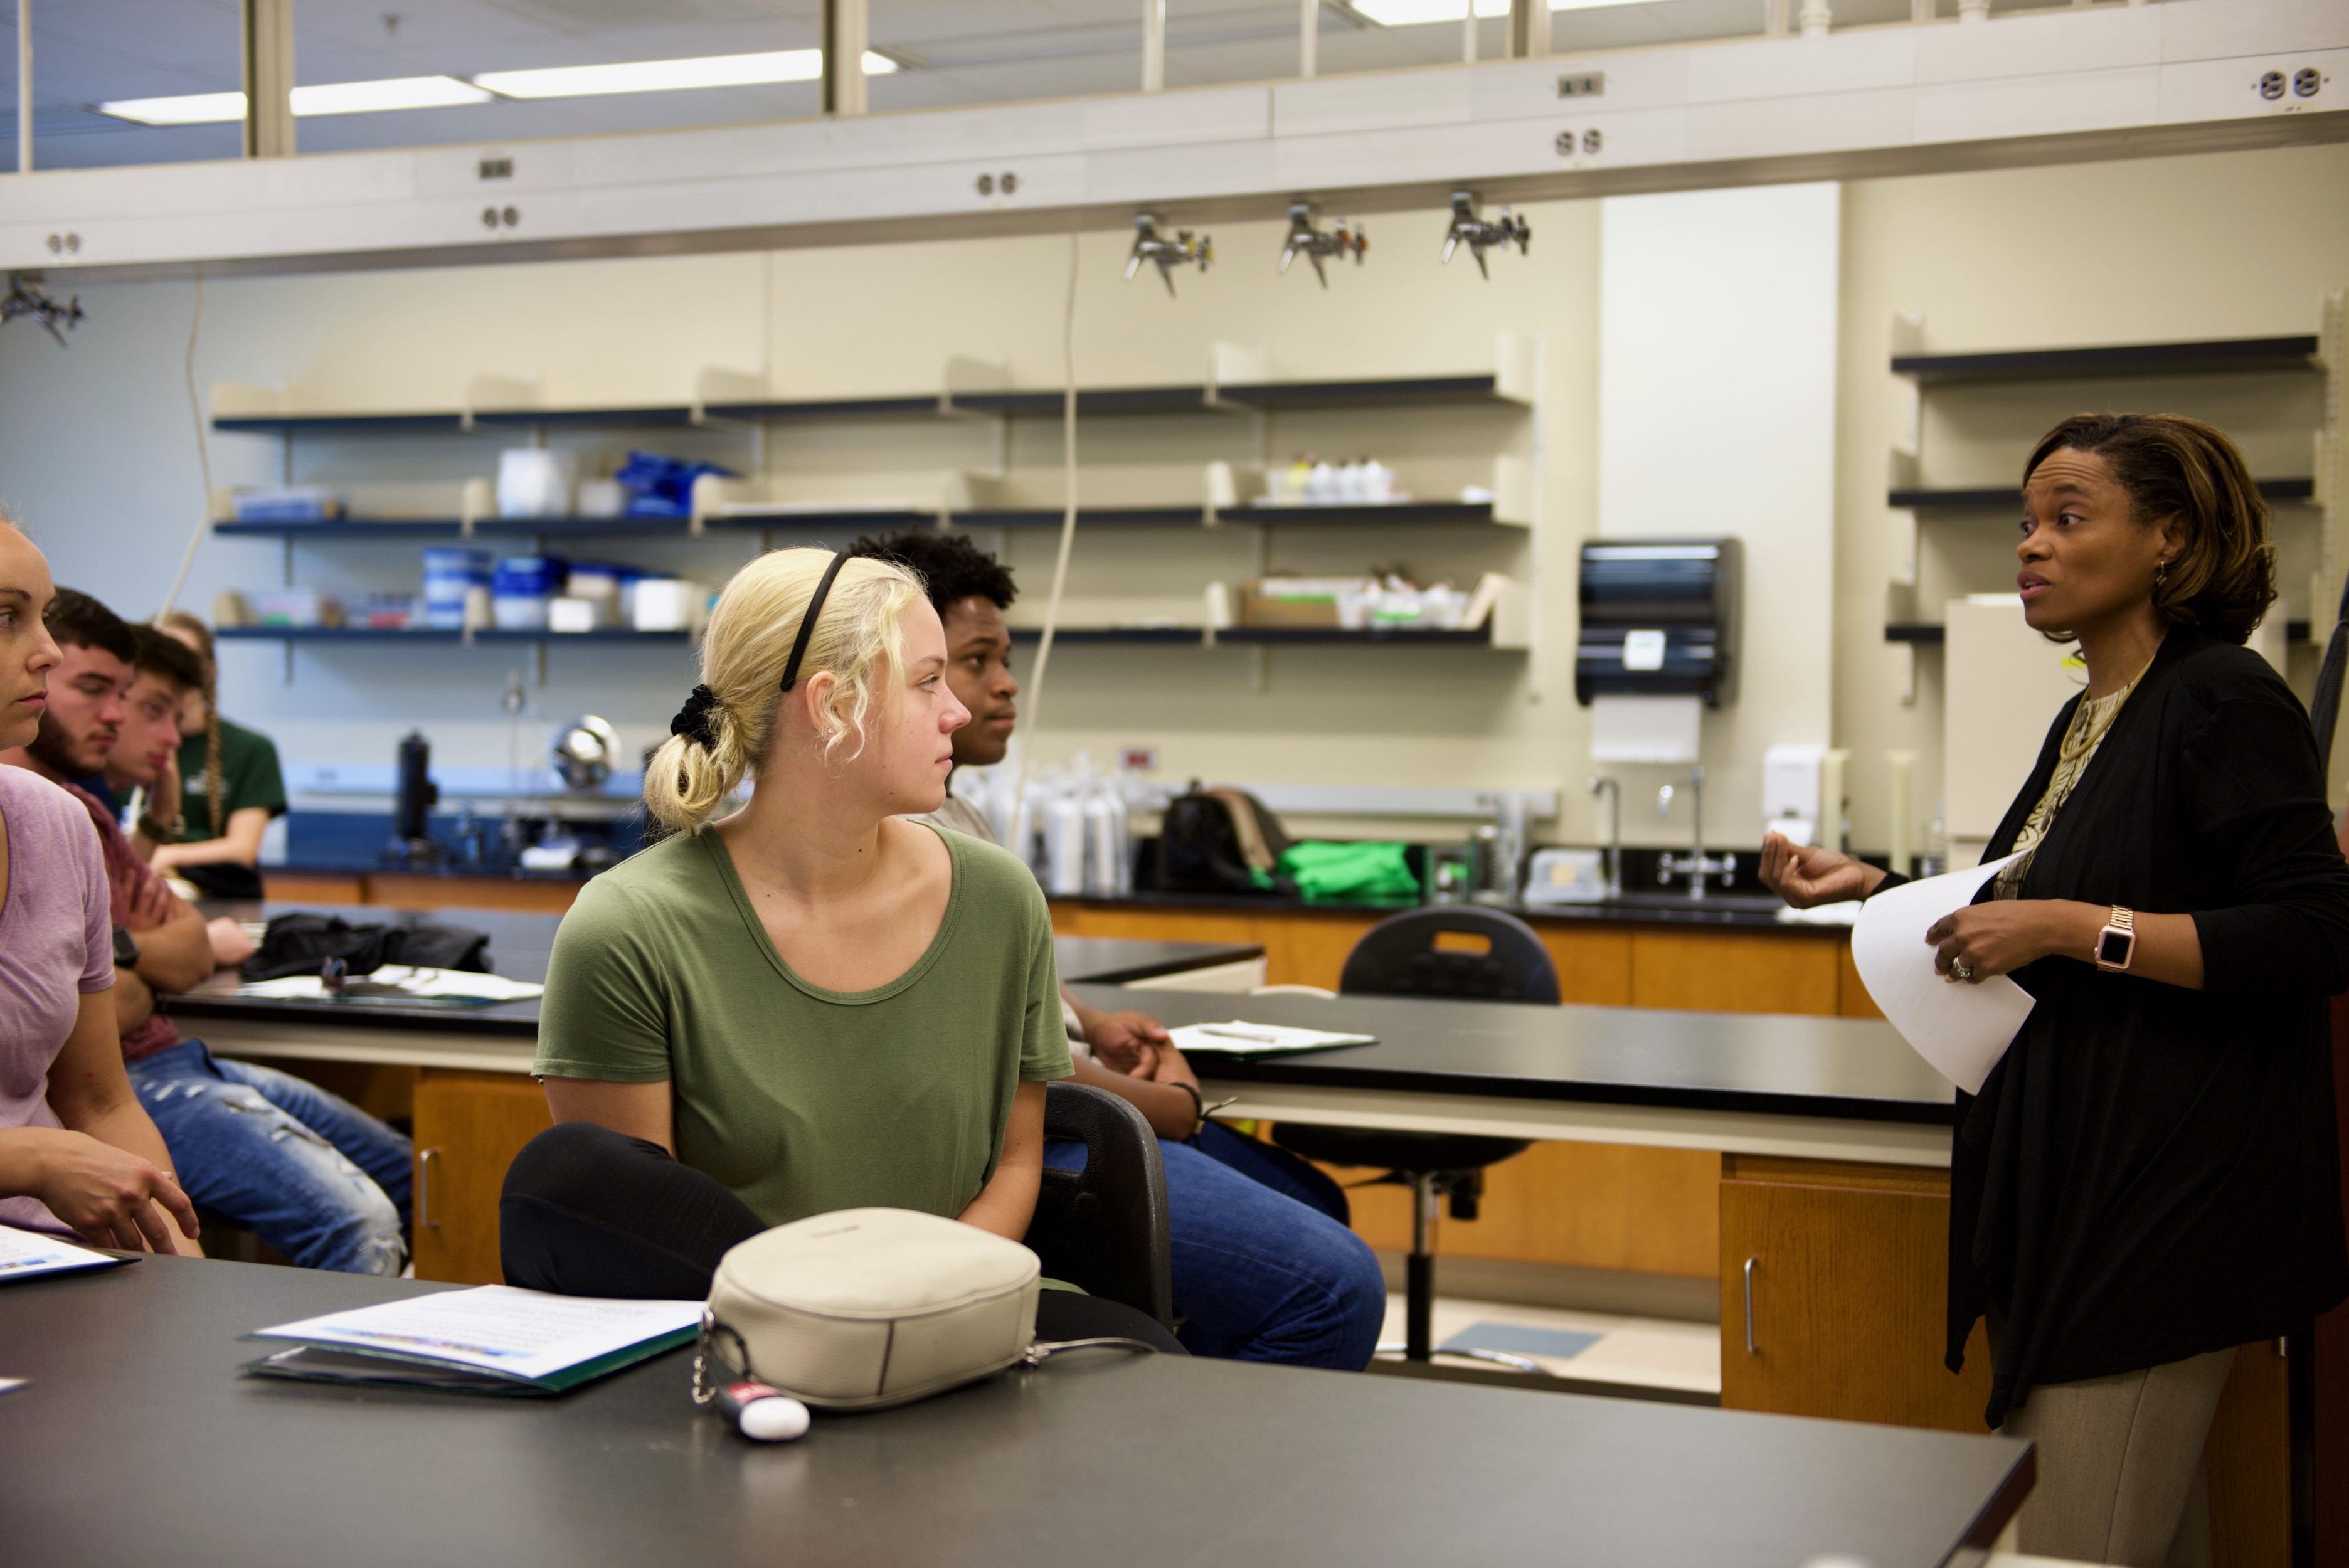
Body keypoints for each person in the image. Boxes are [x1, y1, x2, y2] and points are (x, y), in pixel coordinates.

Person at [1761, 413, 2349, 1567]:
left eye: (2068, 519)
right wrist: (1876, 889)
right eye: (2027, 522)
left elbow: (2317, 931)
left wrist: (2079, 932)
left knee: (2075, 1542)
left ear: (2171, 537)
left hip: (2162, 1196)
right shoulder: (2090, 711)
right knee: (2145, 1537)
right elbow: (2037, 900)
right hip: (2080, 1178)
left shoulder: (2222, 695)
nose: (2031, 546)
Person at [503, 547, 1180, 1351]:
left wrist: (907, 1314)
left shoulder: (1000, 901)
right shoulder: (626, 928)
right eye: (928, 681)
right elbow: (629, 1240)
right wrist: (832, 1331)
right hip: (735, 1341)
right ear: (831, 705)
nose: (955, 712)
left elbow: (1013, 1166)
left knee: (1154, 1377)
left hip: (960, 1304)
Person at [847, 529, 1384, 1368]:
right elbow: (980, 1059)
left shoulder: (957, 816)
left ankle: (1197, 1403)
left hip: (1075, 1097)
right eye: (971, 662)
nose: (1001, 686)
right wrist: (1164, 1106)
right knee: (1331, 1288)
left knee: (1318, 1201)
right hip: (1052, 1131)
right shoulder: (902, 836)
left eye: (1003, 660)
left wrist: (1090, 1022)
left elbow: (1005, 994)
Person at [3, 588, 413, 1276]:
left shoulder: (66, 820)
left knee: (408, 1171)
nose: (157, 733)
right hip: (148, 1079)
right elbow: (120, 1003)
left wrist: (179, 1281)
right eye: (112, 696)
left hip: (165, 1064)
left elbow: (185, 949)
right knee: (359, 1220)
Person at [0, 518, 204, 1255]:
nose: (47, 651)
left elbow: (100, 1100)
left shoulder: (58, 826)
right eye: (5, 616)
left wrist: (180, 1267)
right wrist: (32, 1158)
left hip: (49, 1255)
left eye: (42, 618)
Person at [152, 609, 286, 898]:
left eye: (184, 659)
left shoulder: (251, 750)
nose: (173, 672)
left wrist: (166, 857)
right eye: (159, 659)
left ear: (209, 671)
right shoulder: (116, 747)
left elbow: (242, 850)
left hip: (219, 899)